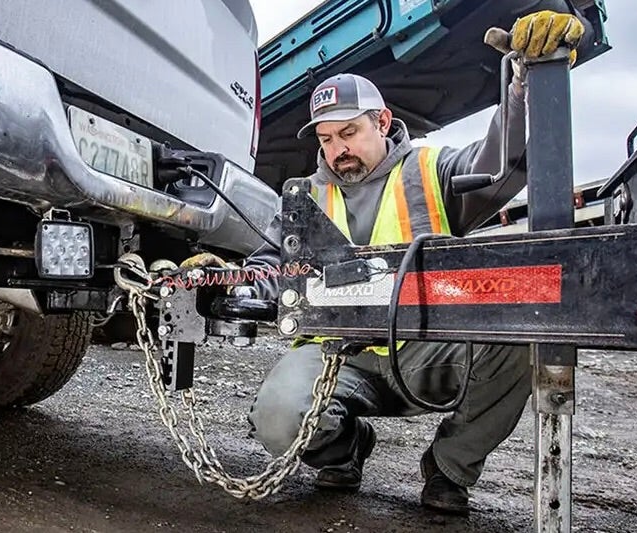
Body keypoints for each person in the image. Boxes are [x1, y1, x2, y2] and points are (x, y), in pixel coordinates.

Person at [182, 10, 586, 515]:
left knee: (513, 336)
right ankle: (346, 447)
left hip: (425, 350)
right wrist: (224, 278)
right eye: (327, 139)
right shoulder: (304, 198)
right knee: (278, 417)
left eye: (348, 132)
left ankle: (448, 467)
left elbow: (499, 165)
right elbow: (271, 267)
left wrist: (524, 88)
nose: (337, 150)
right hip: (338, 357)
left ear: (383, 121)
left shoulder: (431, 170)